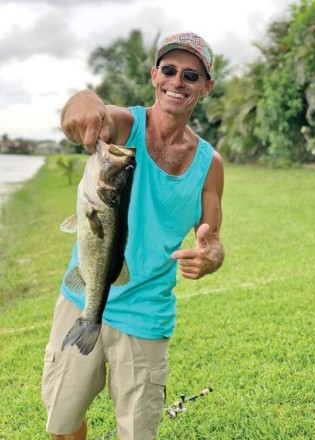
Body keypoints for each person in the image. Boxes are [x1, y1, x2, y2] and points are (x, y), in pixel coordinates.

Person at [42, 31, 225, 440]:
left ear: (206, 87)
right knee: (63, 423)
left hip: (146, 314)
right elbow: (86, 112)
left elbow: (211, 239)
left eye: (191, 75)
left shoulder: (210, 164)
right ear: (154, 74)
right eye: (170, 69)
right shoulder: (125, 126)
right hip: (81, 299)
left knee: (138, 434)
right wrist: (85, 100)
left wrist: (211, 255)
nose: (178, 81)